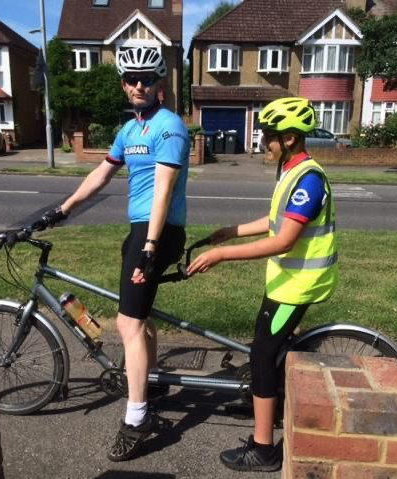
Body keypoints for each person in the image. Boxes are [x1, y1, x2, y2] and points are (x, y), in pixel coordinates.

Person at [39, 46, 190, 462]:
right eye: (131, 79)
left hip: (160, 231)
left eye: (147, 79)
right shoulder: (130, 131)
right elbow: (101, 174)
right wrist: (61, 210)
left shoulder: (169, 128)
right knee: (141, 316)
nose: (138, 85)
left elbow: (164, 192)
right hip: (140, 231)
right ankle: (152, 379)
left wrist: (150, 247)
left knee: (128, 322)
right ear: (124, 83)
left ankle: (137, 418)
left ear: (160, 84)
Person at [187, 97, 338, 473]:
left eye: (268, 136)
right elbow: (275, 220)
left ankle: (263, 448)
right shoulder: (291, 170)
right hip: (286, 281)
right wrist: (230, 232)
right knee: (265, 353)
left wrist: (222, 256)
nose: (262, 143)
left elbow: (283, 240)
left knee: (261, 358)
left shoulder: (309, 180)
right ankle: (263, 401)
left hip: (297, 285)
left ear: (289, 137)